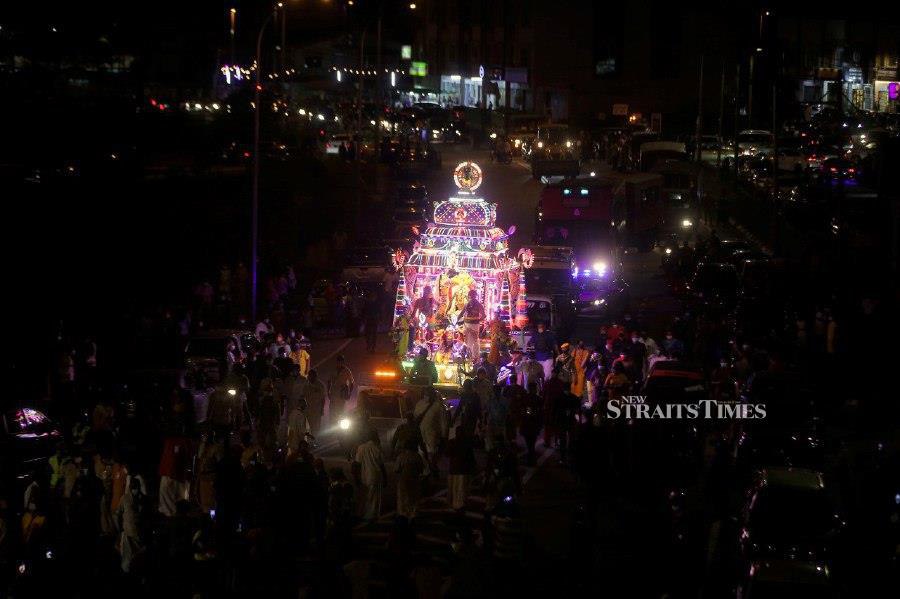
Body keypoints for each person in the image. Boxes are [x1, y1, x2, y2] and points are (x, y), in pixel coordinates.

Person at [354, 430, 387, 522]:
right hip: (376, 475)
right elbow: (381, 464)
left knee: (364, 496)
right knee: (374, 498)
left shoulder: (361, 448)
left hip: (364, 475)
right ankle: (371, 515)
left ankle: (362, 514)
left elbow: (357, 463)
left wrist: (356, 477)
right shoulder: (377, 447)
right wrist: (385, 477)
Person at [445, 427, 475, 512]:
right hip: (462, 470)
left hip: (454, 469)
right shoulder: (466, 443)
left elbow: (447, 453)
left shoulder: (453, 442)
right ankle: (460, 506)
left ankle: (455, 505)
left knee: (454, 488)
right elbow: (471, 457)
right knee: (461, 489)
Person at [395, 442, 426, 520]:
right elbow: (421, 469)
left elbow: (396, 469)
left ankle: (403, 514)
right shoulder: (417, 456)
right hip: (415, 479)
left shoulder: (401, 456)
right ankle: (413, 514)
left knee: (403, 497)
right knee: (414, 498)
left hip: (403, 479)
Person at [519, 382, 543, 466]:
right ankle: (531, 457)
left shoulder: (526, 398)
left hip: (528, 423)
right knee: (531, 441)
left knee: (530, 442)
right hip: (532, 423)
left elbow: (522, 410)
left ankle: (531, 457)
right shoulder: (536, 398)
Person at [328, 355, 355, 423]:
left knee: (341, 410)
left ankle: (339, 425)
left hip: (342, 393)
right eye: (338, 361)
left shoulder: (347, 371)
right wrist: (328, 392)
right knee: (332, 410)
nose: (339, 363)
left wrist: (349, 394)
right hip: (334, 392)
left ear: (343, 362)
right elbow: (329, 381)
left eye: (341, 361)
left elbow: (352, 383)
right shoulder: (333, 369)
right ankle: (332, 423)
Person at [460, 289, 486, 360]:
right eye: (470, 296)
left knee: (473, 340)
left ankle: (474, 357)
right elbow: (461, 313)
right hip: (467, 325)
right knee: (467, 340)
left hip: (473, 325)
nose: (471, 297)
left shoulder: (478, 305)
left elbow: (484, 315)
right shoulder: (467, 304)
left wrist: (477, 320)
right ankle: (468, 356)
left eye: (472, 296)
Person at [305, 369, 326, 435]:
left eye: (312, 375)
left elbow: (323, 398)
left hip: (317, 410)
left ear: (315, 376)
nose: (310, 377)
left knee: (316, 427)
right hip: (307, 409)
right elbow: (303, 396)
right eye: (309, 375)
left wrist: (322, 409)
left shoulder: (320, 385)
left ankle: (315, 441)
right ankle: (309, 441)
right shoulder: (306, 385)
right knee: (308, 427)